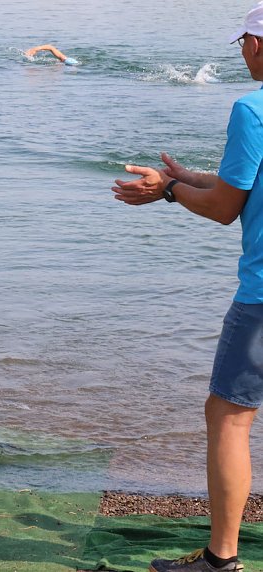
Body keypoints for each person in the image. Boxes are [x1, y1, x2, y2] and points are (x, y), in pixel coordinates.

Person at [111, 3, 263, 570]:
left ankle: (221, 560)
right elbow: (241, 185)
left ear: (258, 44)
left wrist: (168, 192)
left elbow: (225, 208)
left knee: (229, 415)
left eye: (245, 41)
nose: (243, 51)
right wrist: (186, 177)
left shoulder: (252, 108)